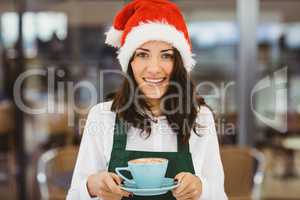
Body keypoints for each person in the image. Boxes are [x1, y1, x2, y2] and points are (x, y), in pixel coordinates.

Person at [67, 0, 227, 199]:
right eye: (143, 54)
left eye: (166, 56)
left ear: (179, 63)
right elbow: (74, 195)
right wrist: (91, 187)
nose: (153, 68)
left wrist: (202, 189)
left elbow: (219, 195)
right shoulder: (102, 116)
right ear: (130, 62)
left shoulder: (200, 117)